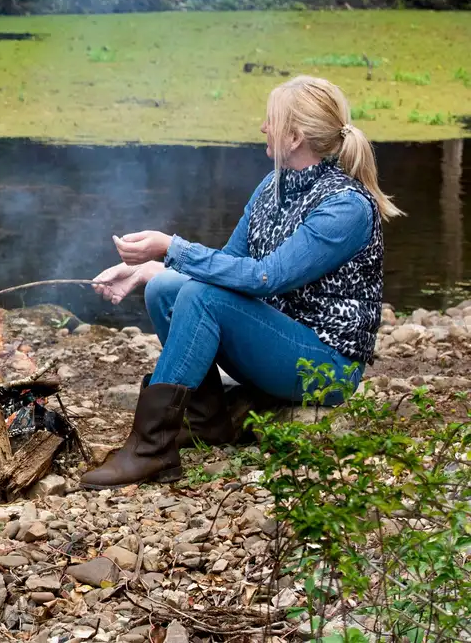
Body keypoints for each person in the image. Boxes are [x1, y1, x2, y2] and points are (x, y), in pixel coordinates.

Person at [83, 75, 402, 489]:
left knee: (201, 296)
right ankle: (205, 421)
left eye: (271, 120)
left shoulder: (345, 207)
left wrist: (170, 247)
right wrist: (149, 271)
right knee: (166, 290)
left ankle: (151, 448)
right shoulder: (273, 186)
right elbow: (231, 263)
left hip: (325, 365)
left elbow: (266, 278)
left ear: (295, 137)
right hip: (277, 343)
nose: (263, 128)